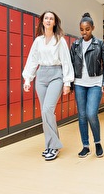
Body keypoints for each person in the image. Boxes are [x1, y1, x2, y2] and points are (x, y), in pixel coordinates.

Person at [22, 10, 74, 161]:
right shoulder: (38, 41)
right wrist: (27, 79)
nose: (49, 20)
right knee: (45, 113)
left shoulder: (60, 40)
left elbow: (66, 61)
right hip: (41, 76)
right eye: (46, 18)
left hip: (56, 75)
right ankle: (51, 145)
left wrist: (67, 83)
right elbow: (32, 60)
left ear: (55, 22)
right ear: (42, 21)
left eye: (51, 18)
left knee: (47, 109)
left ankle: (54, 146)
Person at [70, 12, 104, 158]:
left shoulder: (99, 44)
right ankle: (85, 146)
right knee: (82, 116)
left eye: (87, 29)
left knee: (91, 114)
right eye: (82, 29)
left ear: (92, 28)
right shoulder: (75, 45)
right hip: (79, 83)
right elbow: (70, 66)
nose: (84, 32)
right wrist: (69, 83)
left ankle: (98, 142)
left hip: (95, 83)